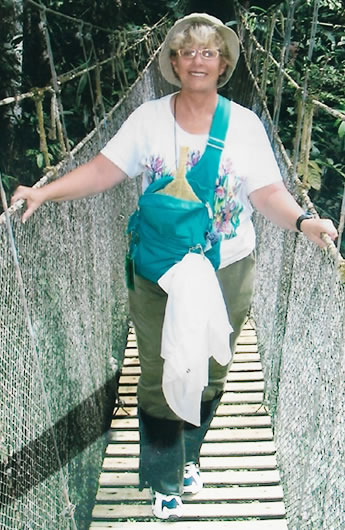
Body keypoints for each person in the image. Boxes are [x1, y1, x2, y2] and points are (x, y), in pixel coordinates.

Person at [11, 12, 337, 520]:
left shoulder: (245, 125)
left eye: (209, 52)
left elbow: (268, 193)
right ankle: (165, 477)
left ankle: (189, 455)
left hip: (225, 267)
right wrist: (45, 192)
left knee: (210, 372)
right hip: (159, 270)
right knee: (160, 374)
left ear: (224, 63)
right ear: (174, 62)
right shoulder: (149, 120)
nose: (198, 60)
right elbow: (104, 170)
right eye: (188, 52)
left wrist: (303, 222)